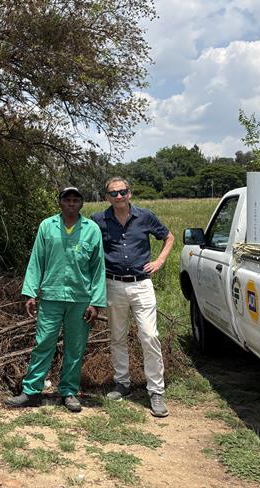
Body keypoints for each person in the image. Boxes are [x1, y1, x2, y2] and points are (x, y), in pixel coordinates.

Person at [5, 187, 106, 412]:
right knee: (43, 343)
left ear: (81, 204)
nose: (71, 203)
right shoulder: (47, 226)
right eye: (67, 199)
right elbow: (37, 260)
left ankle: (68, 392)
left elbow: (98, 267)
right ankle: (31, 391)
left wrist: (96, 302)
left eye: (76, 200)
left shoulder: (91, 229)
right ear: (60, 202)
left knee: (75, 347)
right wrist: (31, 293)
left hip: (80, 298)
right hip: (51, 296)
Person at [91, 177, 175, 417]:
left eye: (123, 192)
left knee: (149, 336)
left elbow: (169, 237)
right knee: (117, 336)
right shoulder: (98, 220)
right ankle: (122, 383)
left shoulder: (145, 216)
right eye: (113, 193)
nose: (119, 196)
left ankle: (156, 391)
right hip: (113, 284)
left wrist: (159, 261)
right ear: (107, 197)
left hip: (141, 284)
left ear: (129, 193)